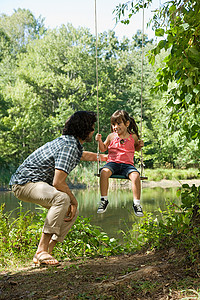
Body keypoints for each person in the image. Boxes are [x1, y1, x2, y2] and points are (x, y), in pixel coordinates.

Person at [9, 111, 107, 266]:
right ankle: (41, 250)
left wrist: (106, 158)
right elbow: (58, 183)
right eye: (92, 127)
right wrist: (74, 201)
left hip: (34, 183)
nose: (94, 131)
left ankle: (44, 254)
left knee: (70, 211)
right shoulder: (68, 146)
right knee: (63, 199)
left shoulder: (72, 144)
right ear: (84, 128)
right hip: (24, 183)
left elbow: (83, 155)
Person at [95, 110, 144, 217]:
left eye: (118, 124)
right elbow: (103, 149)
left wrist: (140, 145)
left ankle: (137, 203)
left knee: (136, 176)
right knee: (104, 172)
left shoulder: (133, 137)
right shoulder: (111, 136)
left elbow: (135, 148)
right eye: (113, 124)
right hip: (112, 163)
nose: (115, 127)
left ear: (127, 124)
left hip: (128, 165)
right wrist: (99, 141)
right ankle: (104, 200)